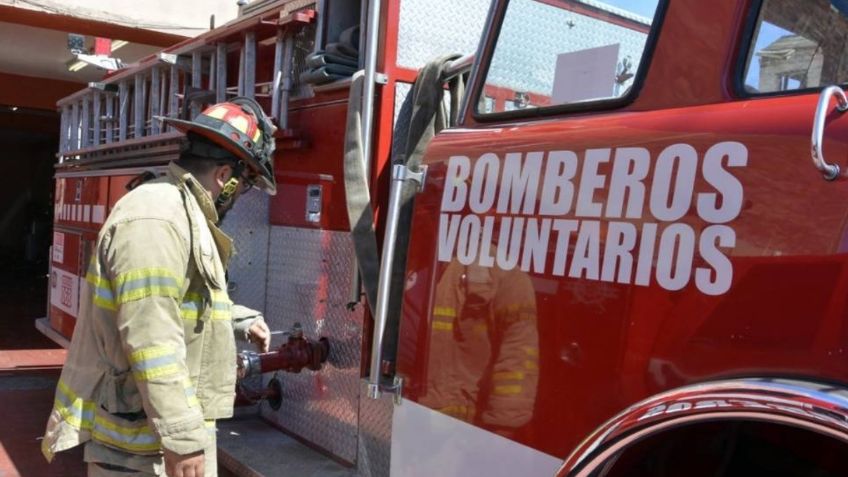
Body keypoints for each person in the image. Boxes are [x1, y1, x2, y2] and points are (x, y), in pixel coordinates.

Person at [41, 97, 277, 477]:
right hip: (140, 451)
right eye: (245, 182)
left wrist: (238, 319)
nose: (239, 194)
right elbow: (152, 338)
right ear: (224, 177)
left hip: (152, 443)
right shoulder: (157, 217)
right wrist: (182, 439)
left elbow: (173, 298)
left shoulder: (179, 213)